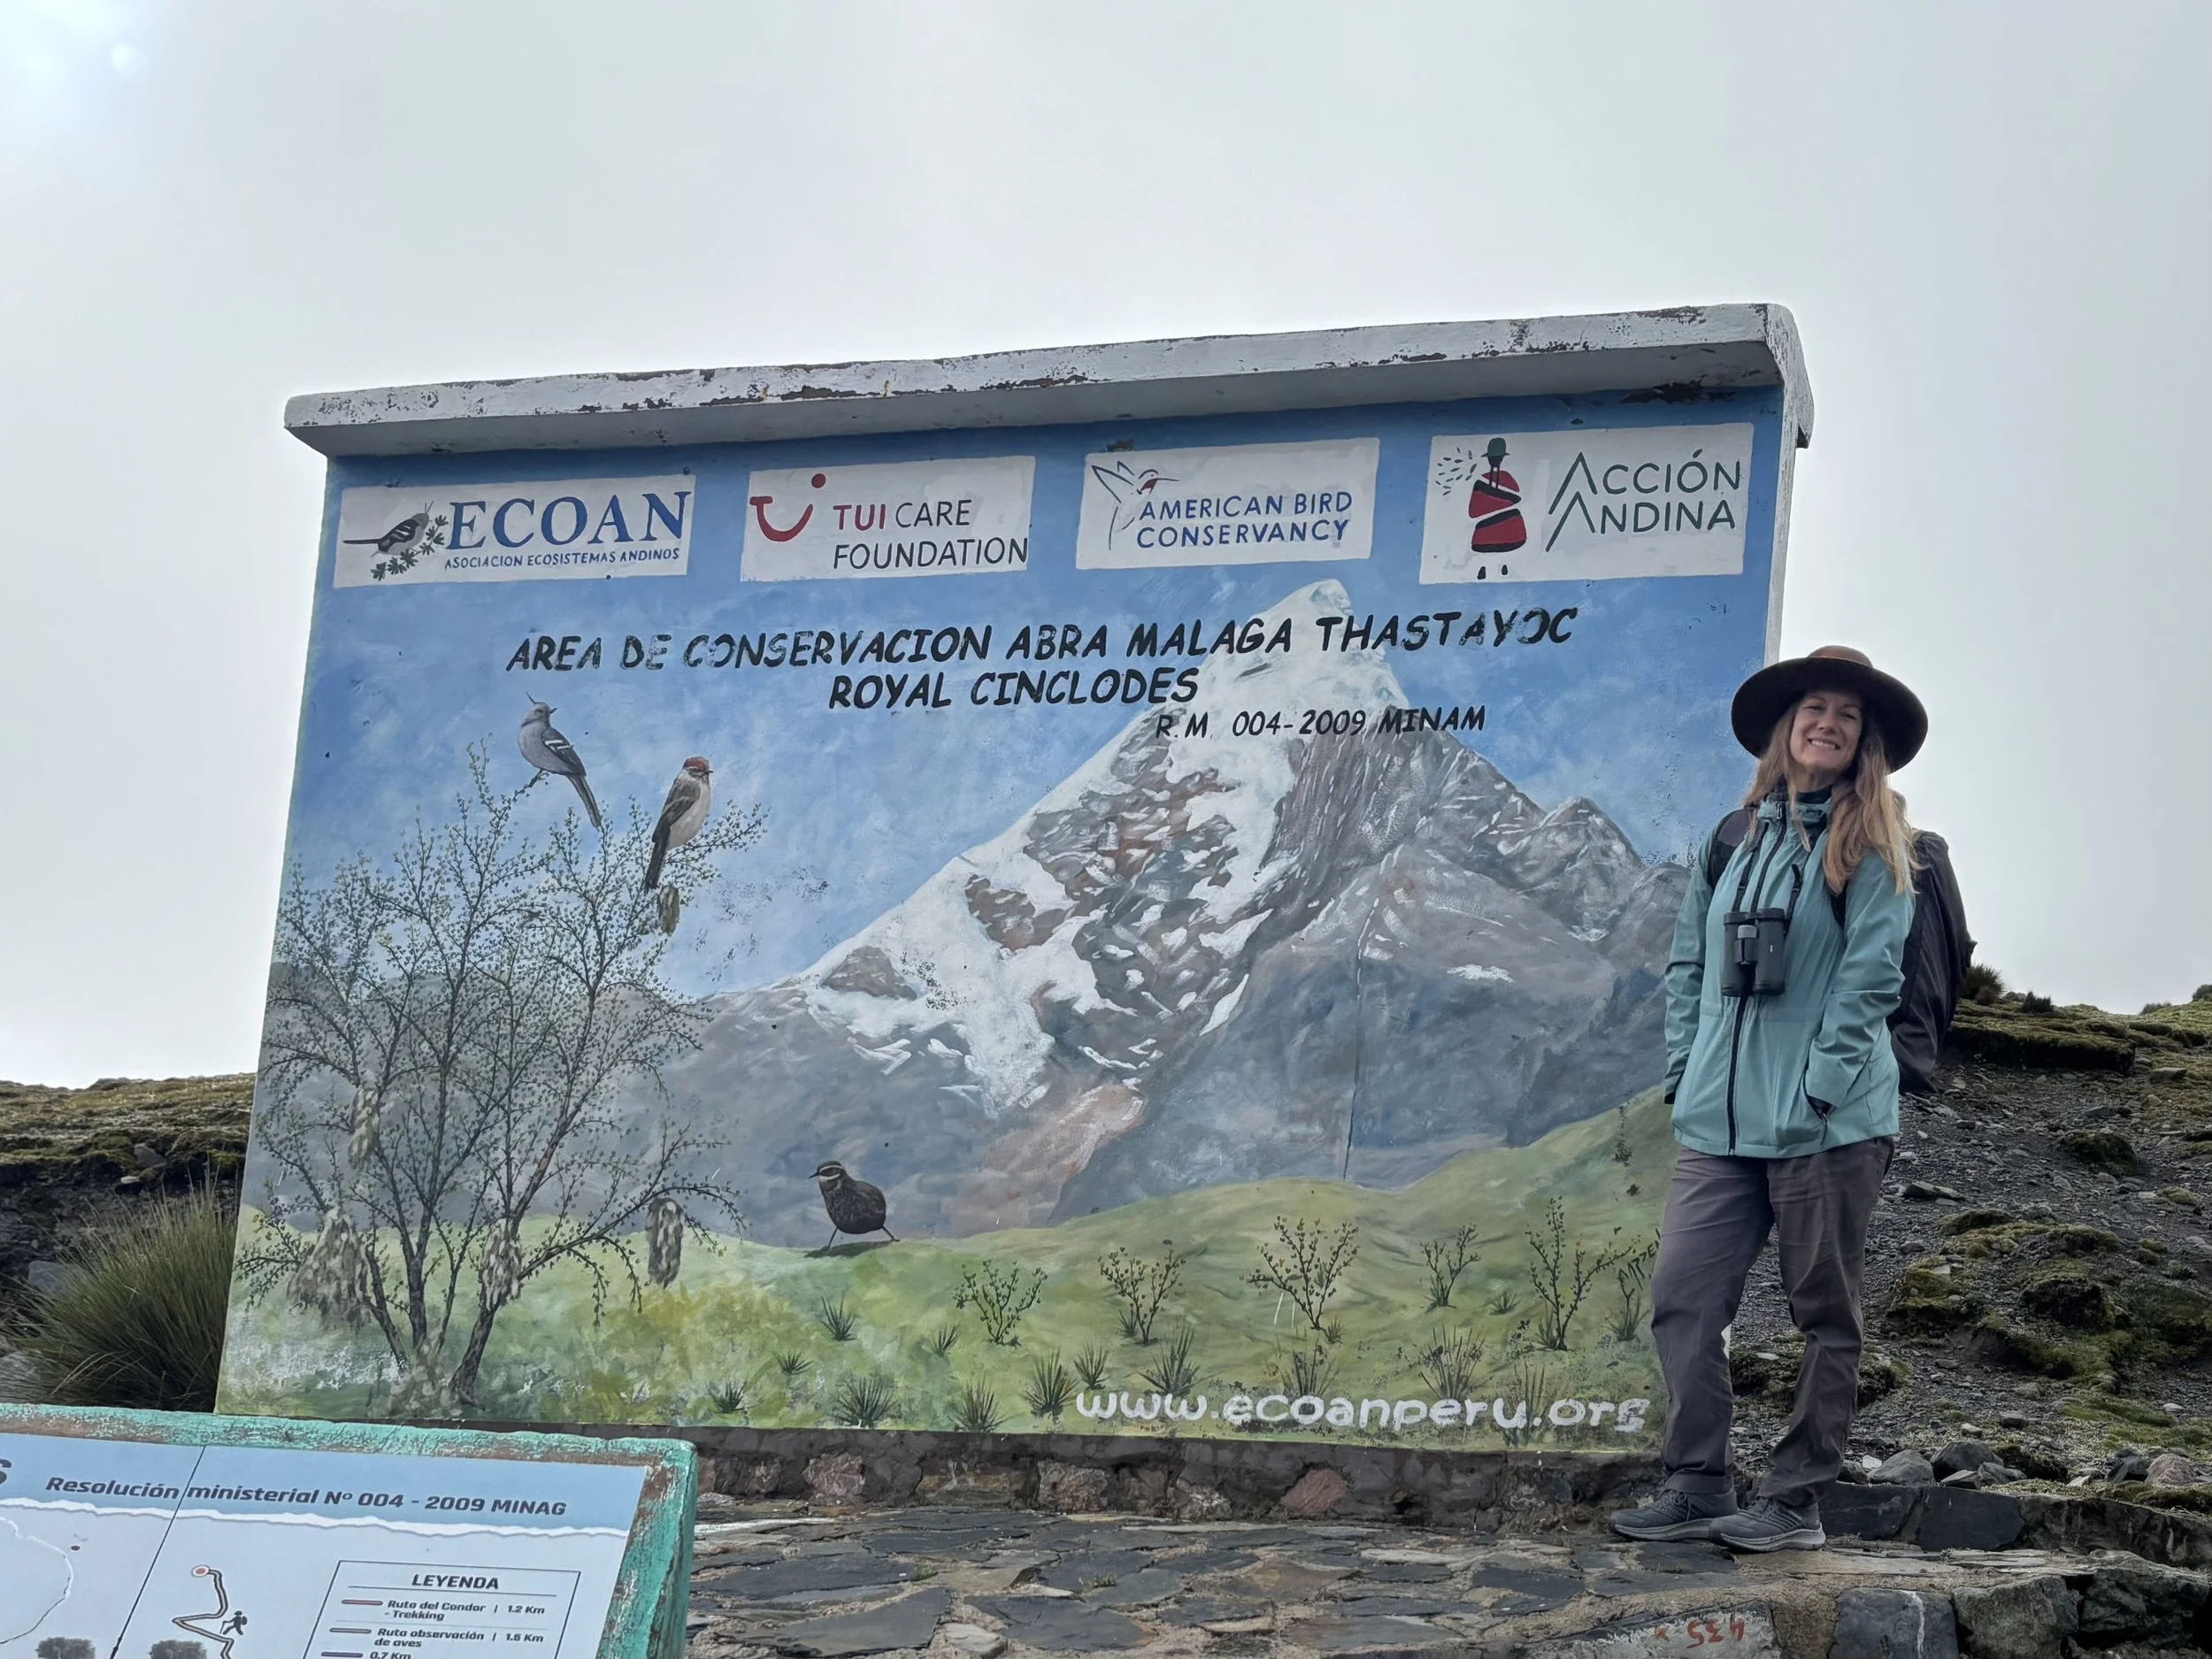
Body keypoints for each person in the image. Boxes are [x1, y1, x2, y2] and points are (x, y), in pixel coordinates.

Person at [1609, 645, 1928, 1552]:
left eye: (1847, 716)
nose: (1826, 724)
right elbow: (1686, 963)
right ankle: (1698, 1481)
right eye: (1813, 709)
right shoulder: (1731, 837)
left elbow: (1872, 974)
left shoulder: (1871, 840)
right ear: (1786, 727)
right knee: (1681, 1297)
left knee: (1822, 1313)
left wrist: (1821, 1087)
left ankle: (1795, 1499)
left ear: (1863, 742)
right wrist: (1687, 1068)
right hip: (1719, 1122)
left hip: (1825, 1125)